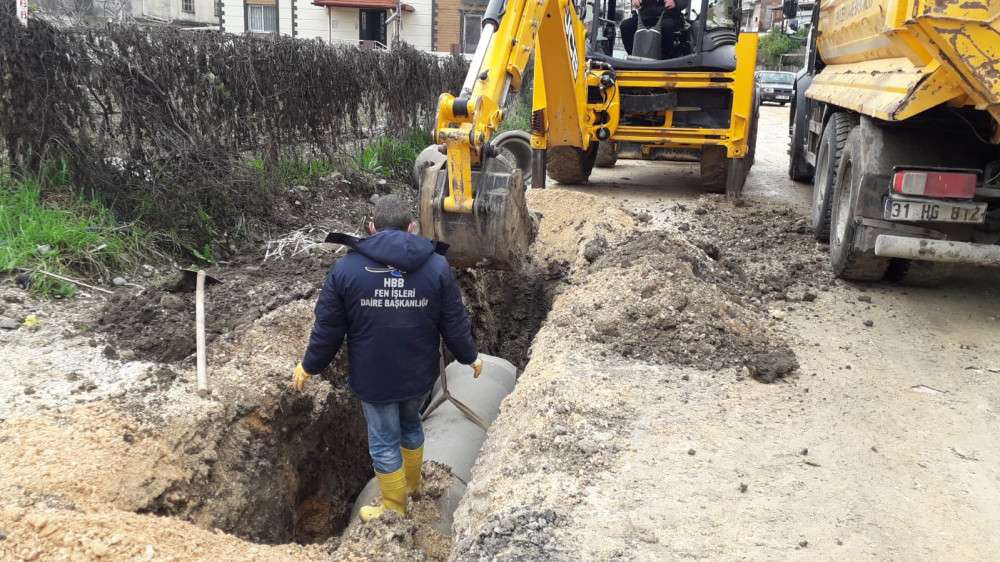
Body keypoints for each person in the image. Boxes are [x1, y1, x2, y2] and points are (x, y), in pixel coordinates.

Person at [292, 194, 483, 522]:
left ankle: (394, 506)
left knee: (383, 442)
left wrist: (310, 365)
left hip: (374, 378)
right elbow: (454, 321)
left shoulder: (346, 269)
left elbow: (329, 330)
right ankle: (413, 485)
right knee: (411, 425)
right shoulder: (436, 266)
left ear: (371, 227)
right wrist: (470, 357)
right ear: (411, 227)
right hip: (418, 376)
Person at [620, 0, 689, 59]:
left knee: (667, 26)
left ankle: (664, 59)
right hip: (645, 16)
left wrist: (675, 2)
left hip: (669, 15)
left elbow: (684, 2)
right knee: (625, 26)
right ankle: (634, 57)